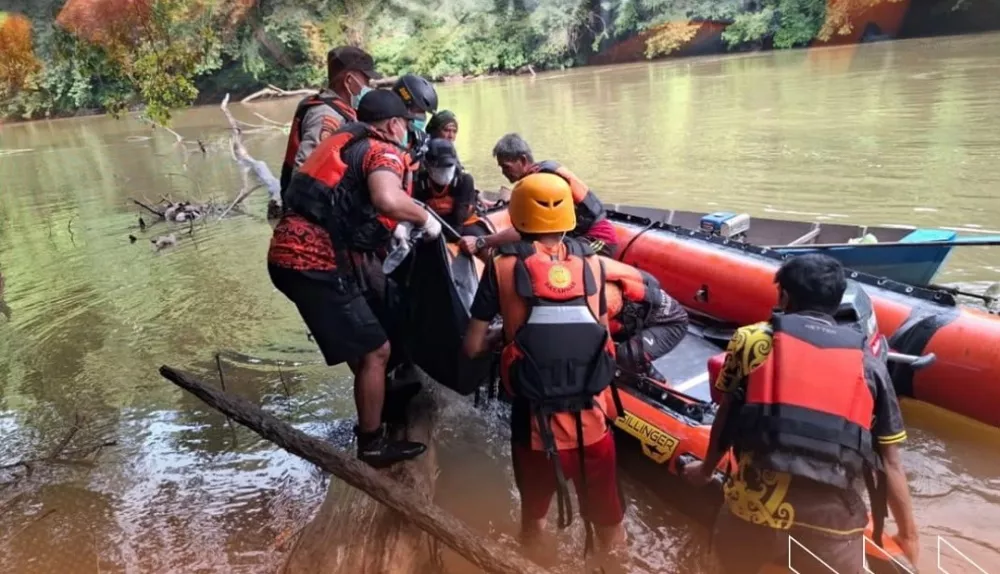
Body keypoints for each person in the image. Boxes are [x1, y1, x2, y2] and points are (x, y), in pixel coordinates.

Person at [682, 254, 919, 574]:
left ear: (784, 296)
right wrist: (909, 535)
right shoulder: (870, 365)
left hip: (754, 511)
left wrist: (706, 469)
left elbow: (728, 414)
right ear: (837, 303)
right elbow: (890, 461)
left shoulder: (750, 341)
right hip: (833, 526)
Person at [268, 89, 443, 468]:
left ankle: (377, 405)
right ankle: (372, 443)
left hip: (289, 253)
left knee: (366, 338)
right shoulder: (384, 150)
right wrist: (421, 218)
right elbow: (386, 198)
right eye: (409, 123)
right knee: (375, 350)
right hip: (313, 262)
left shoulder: (344, 142)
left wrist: (391, 231)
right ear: (395, 124)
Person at [463, 172, 627, 569]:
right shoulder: (594, 263)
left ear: (516, 219)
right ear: (569, 218)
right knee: (610, 527)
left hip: (536, 429)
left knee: (534, 522)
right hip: (596, 419)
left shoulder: (501, 268)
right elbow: (599, 332)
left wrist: (507, 336)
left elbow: (471, 348)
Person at [459, 133, 619, 258]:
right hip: (575, 235)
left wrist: (482, 242)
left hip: (597, 238)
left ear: (522, 160)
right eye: (501, 168)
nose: (504, 173)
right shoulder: (542, 171)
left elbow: (523, 231)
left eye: (507, 167)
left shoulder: (540, 183)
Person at [278, 46, 381, 198]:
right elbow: (306, 172)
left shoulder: (342, 109)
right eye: (365, 79)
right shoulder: (326, 115)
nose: (368, 84)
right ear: (348, 80)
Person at [600, 256, 689, 377]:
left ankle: (651, 381)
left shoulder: (605, 295)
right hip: (631, 313)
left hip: (669, 322)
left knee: (628, 357)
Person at [413, 138, 488, 237]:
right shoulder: (421, 183)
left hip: (464, 223)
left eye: (449, 166)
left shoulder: (464, 181)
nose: (445, 171)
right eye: (440, 167)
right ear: (427, 165)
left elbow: (458, 223)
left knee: (479, 239)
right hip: (431, 225)